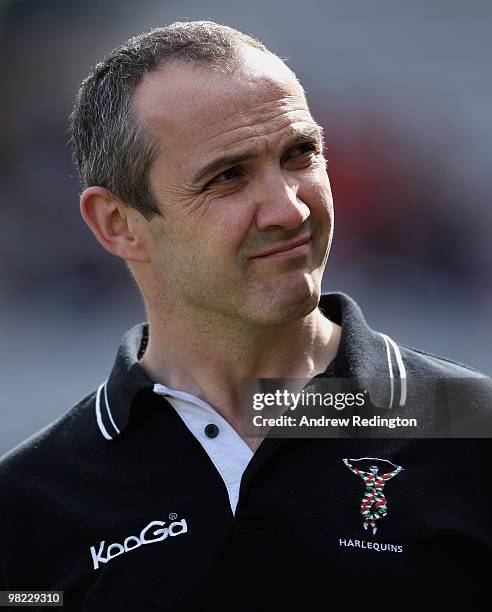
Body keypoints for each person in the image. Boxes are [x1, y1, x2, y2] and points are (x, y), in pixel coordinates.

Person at [0, 21, 490, 611]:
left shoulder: (472, 428)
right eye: (227, 177)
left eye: (300, 154)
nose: (288, 209)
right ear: (118, 223)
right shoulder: (27, 505)